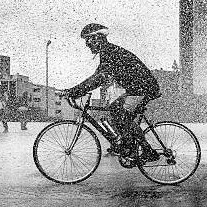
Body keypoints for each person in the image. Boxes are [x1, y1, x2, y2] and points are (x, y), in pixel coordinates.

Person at [62, 24, 161, 162]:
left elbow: (98, 79)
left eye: (88, 40)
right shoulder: (108, 52)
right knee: (115, 109)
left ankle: (144, 150)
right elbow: (97, 76)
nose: (86, 45)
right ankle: (132, 147)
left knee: (122, 115)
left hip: (143, 88)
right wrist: (75, 90)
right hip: (137, 88)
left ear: (97, 38)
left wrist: (74, 91)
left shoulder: (110, 53)